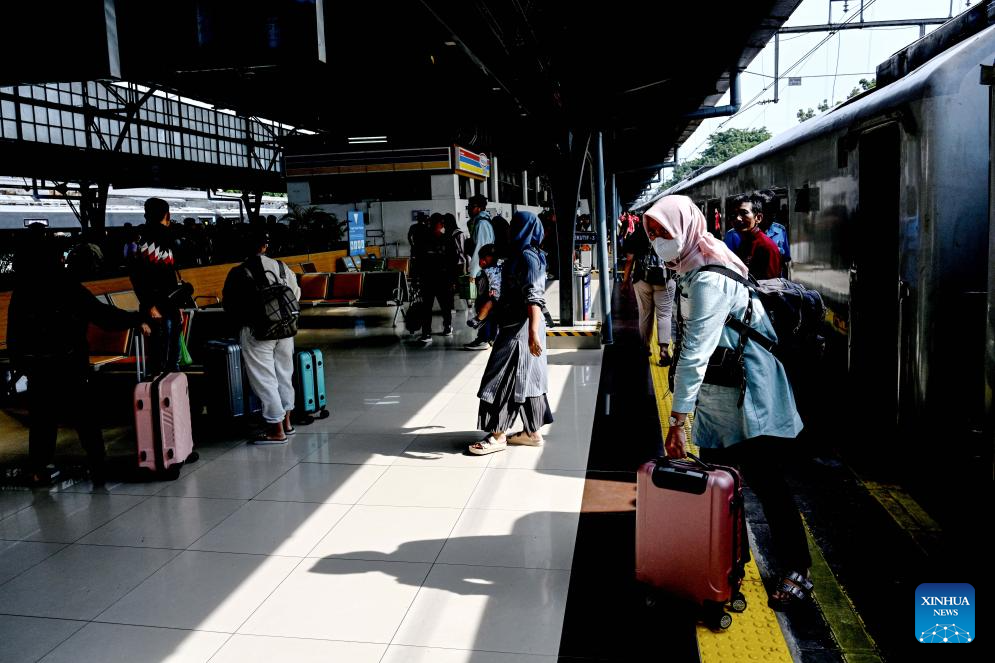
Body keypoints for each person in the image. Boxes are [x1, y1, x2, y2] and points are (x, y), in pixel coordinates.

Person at [643, 195, 812, 612]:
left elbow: (695, 352)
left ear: (685, 228)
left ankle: (798, 569)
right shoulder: (689, 266)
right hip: (722, 395)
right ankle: (727, 562)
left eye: (665, 231)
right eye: (652, 233)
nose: (658, 240)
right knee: (720, 488)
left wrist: (676, 421)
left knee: (769, 484)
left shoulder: (707, 279)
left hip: (753, 394)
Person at [7, 235, 151, 486]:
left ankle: (38, 469)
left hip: (39, 366)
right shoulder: (67, 285)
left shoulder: (23, 290)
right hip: (70, 363)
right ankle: (97, 463)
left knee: (43, 420)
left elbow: (14, 331)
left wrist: (20, 362)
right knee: (85, 416)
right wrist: (136, 319)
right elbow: (102, 315)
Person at [469, 211, 553, 454]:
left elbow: (534, 296)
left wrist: (533, 333)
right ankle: (532, 433)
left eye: (515, 226)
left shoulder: (527, 257)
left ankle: (497, 436)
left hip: (520, 329)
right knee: (528, 379)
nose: (509, 230)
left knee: (500, 377)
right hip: (516, 325)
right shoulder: (520, 254)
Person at [222, 231, 301, 443]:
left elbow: (230, 305)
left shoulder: (239, 272)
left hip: (257, 331)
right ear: (265, 247)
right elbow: (296, 295)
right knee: (284, 375)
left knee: (265, 379)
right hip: (285, 330)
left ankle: (276, 430)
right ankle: (287, 423)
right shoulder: (282, 267)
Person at [130, 198, 185, 374]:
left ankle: (161, 385)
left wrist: (149, 305)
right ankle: (167, 386)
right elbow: (165, 276)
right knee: (169, 359)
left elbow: (137, 277)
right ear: (167, 215)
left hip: (158, 306)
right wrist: (153, 306)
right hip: (162, 307)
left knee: (160, 359)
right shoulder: (165, 238)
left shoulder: (140, 239)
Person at [622, 223, 676, 366]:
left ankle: (644, 348)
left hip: (642, 279)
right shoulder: (671, 229)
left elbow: (629, 260)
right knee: (664, 315)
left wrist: (625, 282)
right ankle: (664, 351)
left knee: (645, 314)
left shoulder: (640, 231)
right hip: (664, 278)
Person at [414, 214, 457, 343]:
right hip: (437, 278)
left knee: (432, 306)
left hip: (432, 278)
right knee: (439, 305)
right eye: (439, 222)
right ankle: (440, 329)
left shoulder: (424, 239)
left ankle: (429, 332)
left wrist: (416, 278)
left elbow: (418, 260)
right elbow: (453, 260)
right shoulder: (446, 239)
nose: (440, 225)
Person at [723, 192, 781, 280]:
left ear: (758, 218)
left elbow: (771, 285)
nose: (737, 219)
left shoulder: (766, 246)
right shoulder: (745, 241)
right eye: (733, 215)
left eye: (744, 213)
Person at [464, 195, 496, 349]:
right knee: (486, 304)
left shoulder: (481, 224)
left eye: (471, 206)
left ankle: (484, 338)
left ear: (478, 207)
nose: (469, 209)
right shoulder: (482, 222)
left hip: (483, 271)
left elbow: (480, 250)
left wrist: (473, 272)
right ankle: (489, 336)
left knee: (482, 304)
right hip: (485, 269)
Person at [467, 243, 502, 333]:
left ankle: (478, 319)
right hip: (499, 297)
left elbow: (480, 292)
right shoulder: (501, 267)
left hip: (493, 297)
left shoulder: (483, 272)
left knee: (487, 305)